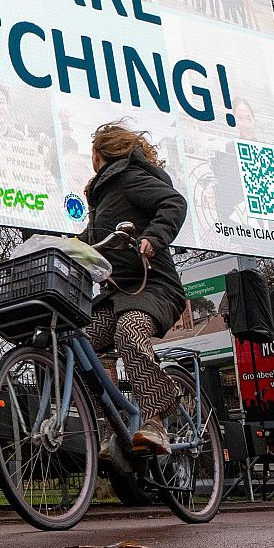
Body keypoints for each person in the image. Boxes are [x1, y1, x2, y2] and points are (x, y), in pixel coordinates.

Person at [80, 123, 189, 454]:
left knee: (130, 330)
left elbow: (174, 202)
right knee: (78, 342)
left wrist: (154, 238)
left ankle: (155, 420)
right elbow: (92, 239)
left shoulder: (127, 179)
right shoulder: (101, 194)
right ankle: (109, 425)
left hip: (155, 285)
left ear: (98, 154)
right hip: (117, 295)